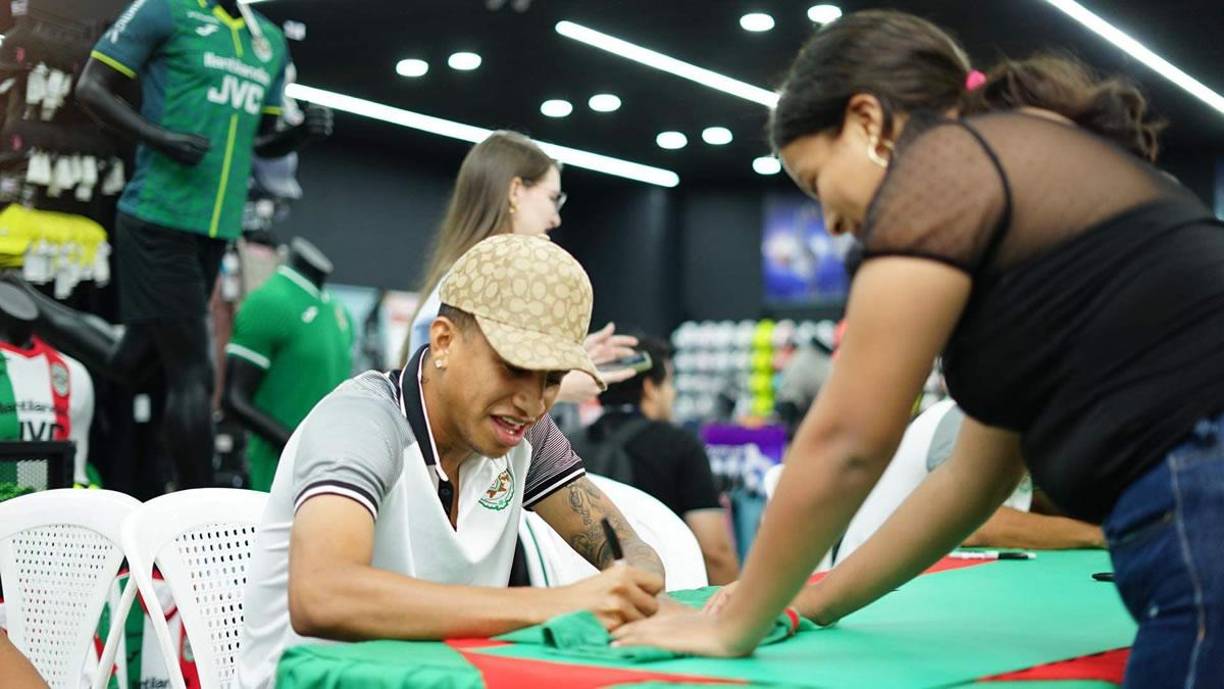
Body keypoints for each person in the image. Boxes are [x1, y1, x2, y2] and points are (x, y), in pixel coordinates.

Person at [613, 11, 1224, 688]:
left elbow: (848, 437)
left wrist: (734, 623)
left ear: (869, 121)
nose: (832, 223)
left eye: (817, 183)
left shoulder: (943, 163)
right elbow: (971, 480)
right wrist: (806, 599)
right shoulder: (1024, 178)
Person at [237, 234, 665, 689]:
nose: (532, 402)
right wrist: (564, 604)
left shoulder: (526, 433)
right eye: (513, 368)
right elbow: (324, 596)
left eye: (552, 380)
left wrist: (632, 578)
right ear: (443, 342)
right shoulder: (361, 423)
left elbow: (622, 543)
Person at [8, 0, 333, 490]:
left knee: (132, 362)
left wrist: (299, 136)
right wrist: (157, 138)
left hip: (215, 230)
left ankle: (19, 297)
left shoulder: (265, 41)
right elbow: (91, 89)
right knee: (194, 375)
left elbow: (259, 142)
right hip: (158, 215)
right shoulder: (165, 10)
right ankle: (201, 517)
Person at [404, 130, 638, 404]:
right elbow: (431, 394)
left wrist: (560, 357)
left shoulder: (473, 282)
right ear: (515, 191)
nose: (556, 219)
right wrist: (556, 389)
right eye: (553, 198)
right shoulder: (460, 289)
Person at [816, 399, 1103, 571]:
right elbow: (978, 525)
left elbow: (1040, 506)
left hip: (923, 580)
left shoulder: (1024, 435)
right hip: (870, 588)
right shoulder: (968, 420)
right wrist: (1100, 535)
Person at [572, 336, 740, 584]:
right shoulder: (680, 446)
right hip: (662, 592)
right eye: (670, 383)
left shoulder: (566, 444)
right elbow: (715, 552)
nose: (672, 394)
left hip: (583, 594)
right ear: (650, 388)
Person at [223, 238, 354, 492]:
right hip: (275, 476)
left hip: (329, 473)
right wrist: (298, 445)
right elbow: (234, 399)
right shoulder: (267, 303)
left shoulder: (340, 311)